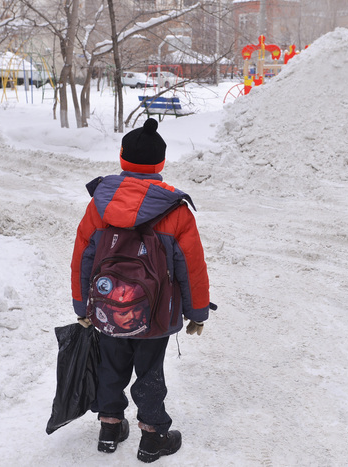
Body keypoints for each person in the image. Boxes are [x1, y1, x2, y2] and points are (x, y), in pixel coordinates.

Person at [70, 118, 210, 463]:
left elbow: (82, 258)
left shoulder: (99, 203)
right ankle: (152, 438)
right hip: (156, 312)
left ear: (122, 157)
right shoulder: (175, 210)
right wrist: (196, 312)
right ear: (160, 163)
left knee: (110, 366)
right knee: (149, 371)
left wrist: (81, 307)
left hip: (106, 307)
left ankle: (110, 427)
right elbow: (191, 266)